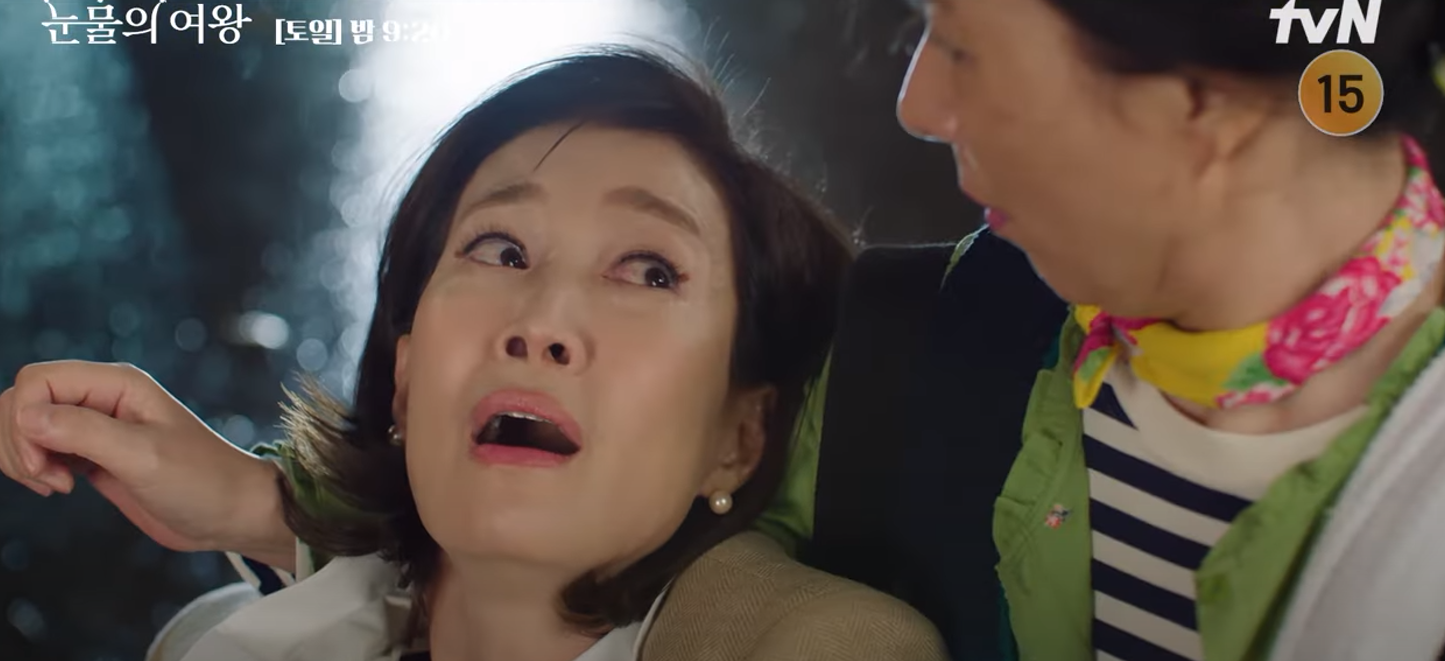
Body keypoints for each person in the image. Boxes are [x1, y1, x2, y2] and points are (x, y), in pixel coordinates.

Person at [7, 0, 1445, 659]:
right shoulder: (907, 351)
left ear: (1201, 109)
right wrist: (260, 500)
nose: (916, 106)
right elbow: (553, 517)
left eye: (960, 42)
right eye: (496, 247)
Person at [0, 47, 948, 661]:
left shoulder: (830, 646)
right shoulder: (207, 642)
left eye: (650, 271)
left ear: (740, 438)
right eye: (500, 249)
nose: (542, 320)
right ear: (408, 375)